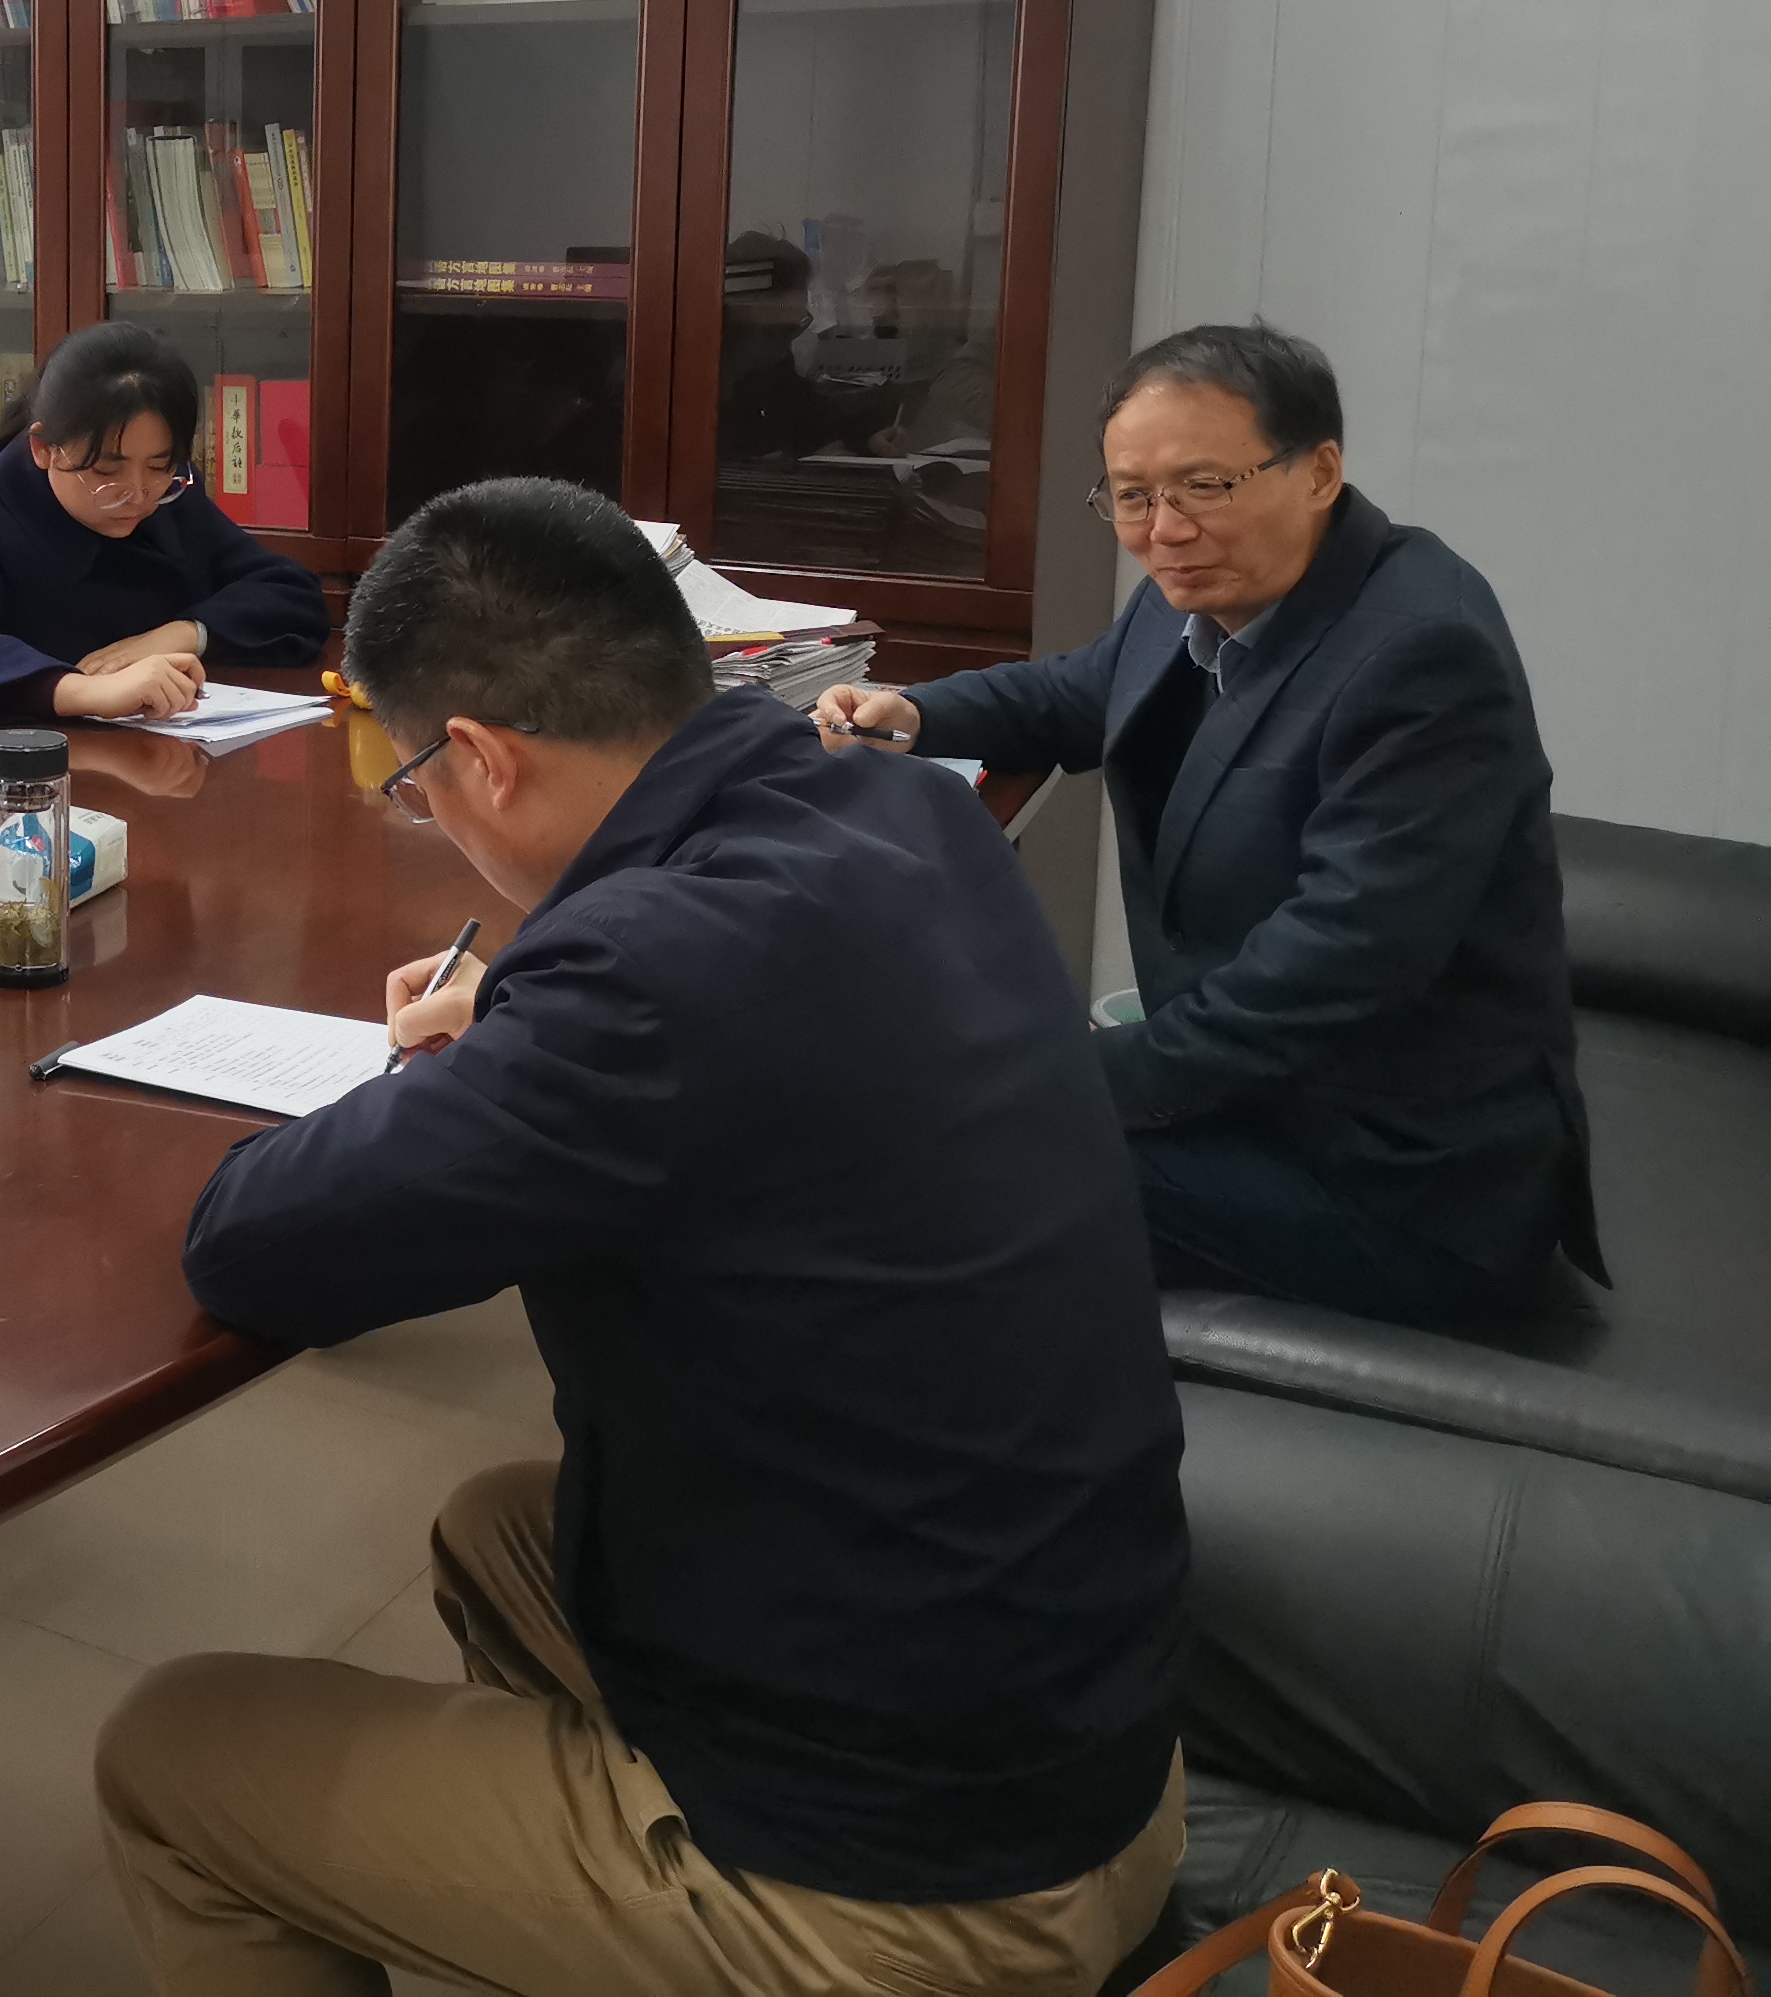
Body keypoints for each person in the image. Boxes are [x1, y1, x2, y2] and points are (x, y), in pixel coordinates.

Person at [99, 476, 1188, 1997]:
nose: (427, 815)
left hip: (931, 1882)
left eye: (414, 785)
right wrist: (526, 1021)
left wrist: (507, 1049)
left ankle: (714, 1908)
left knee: (173, 1757)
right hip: (1084, 1743)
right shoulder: (901, 808)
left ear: (481, 758)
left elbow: (256, 1246)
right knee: (497, 1530)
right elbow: (737, 1029)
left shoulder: (645, 981)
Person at [818, 322, 1597, 1326]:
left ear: (1320, 472)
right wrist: (918, 712)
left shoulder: (1422, 653)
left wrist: (1055, 1076)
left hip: (1396, 1178)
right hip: (1260, 1098)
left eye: (1205, 486)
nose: (1164, 530)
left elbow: (1327, 975)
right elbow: (1077, 691)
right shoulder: (1207, 582)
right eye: (1132, 497)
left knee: (913, 1174)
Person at [0, 321, 331, 728]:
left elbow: (290, 592)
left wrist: (180, 635)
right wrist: (91, 692)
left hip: (163, 754)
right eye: (106, 470)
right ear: (44, 449)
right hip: (36, 763)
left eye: (159, 465)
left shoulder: (168, 498)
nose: (136, 495)